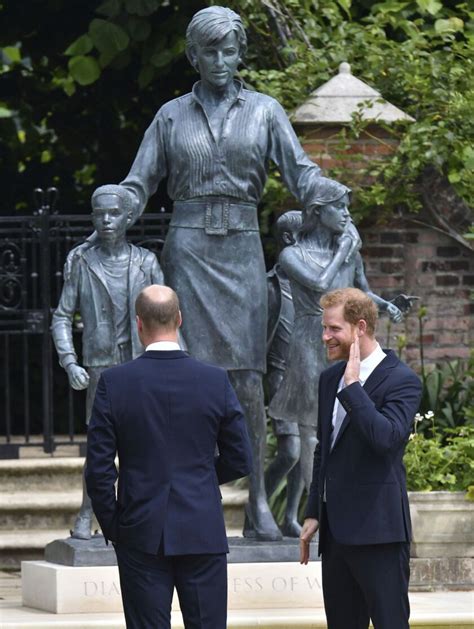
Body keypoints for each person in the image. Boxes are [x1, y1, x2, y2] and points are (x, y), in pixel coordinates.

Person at [114, 6, 360, 541]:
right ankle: (186, 492)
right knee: (184, 375)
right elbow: (138, 183)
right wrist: (113, 217)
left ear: (240, 53)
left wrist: (335, 201)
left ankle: (256, 504)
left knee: (248, 379)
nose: (220, 60)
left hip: (243, 252)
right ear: (193, 55)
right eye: (210, 51)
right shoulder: (171, 116)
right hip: (190, 248)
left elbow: (301, 173)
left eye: (229, 50)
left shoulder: (266, 112)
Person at [85, 285, 252, 629]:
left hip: (139, 528)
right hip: (201, 526)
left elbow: (99, 468)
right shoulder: (215, 380)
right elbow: (240, 458)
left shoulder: (114, 383)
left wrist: (115, 525)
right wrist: (201, 478)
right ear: (179, 319)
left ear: (138, 324)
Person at [268, 181, 403, 492]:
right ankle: (317, 502)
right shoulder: (293, 254)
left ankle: (346, 495)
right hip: (309, 340)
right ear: (318, 211)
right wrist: (343, 249)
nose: (346, 214)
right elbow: (319, 284)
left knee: (351, 416)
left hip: (349, 344)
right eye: (339, 207)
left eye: (347, 207)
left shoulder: (349, 254)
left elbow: (362, 291)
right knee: (312, 427)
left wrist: (386, 305)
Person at [300, 287, 422, 629]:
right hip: (336, 536)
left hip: (379, 532)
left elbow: (386, 440)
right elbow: (324, 448)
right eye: (324, 328)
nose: (325, 337)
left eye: (334, 329)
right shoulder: (328, 379)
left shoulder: (402, 380)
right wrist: (313, 512)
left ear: (361, 327)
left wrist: (354, 388)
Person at [52, 184, 164, 540]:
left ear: (128, 217)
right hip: (101, 367)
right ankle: (88, 512)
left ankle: (138, 515)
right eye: (99, 213)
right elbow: (61, 316)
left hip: (141, 365)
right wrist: (70, 362)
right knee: (100, 449)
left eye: (113, 213)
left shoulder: (146, 262)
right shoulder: (81, 262)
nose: (106, 220)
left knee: (144, 444)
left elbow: (168, 315)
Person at [264, 210, 304, 537]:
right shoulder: (269, 287)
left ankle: (290, 517)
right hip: (279, 380)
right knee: (290, 451)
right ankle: (259, 506)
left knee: (304, 453)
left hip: (309, 378)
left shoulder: (313, 286)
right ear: (289, 239)